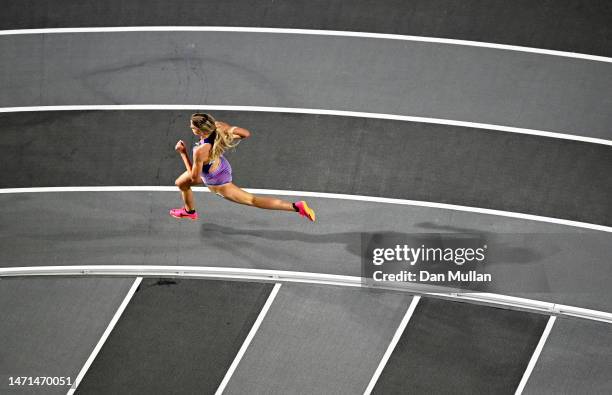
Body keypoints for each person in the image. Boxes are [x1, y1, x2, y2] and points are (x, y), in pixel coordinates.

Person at [170, 113, 316, 222]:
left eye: (192, 127)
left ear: (199, 130)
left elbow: (195, 178)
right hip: (220, 165)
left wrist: (183, 153)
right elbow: (245, 134)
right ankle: (190, 211)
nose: (191, 128)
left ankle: (296, 207)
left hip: (218, 181)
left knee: (252, 200)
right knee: (181, 183)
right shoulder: (219, 127)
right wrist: (230, 130)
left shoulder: (200, 151)